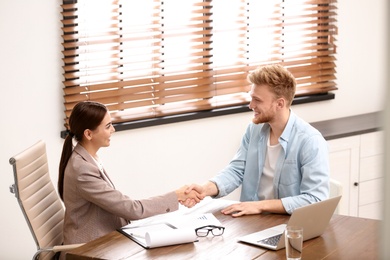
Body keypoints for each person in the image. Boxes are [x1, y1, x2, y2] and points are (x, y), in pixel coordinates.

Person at [183, 64, 329, 217]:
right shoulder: (254, 130)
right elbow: (237, 170)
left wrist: (260, 206)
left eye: (257, 100)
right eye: (251, 98)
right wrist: (205, 189)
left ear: (280, 103)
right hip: (253, 220)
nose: (251, 105)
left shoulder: (310, 142)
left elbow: (315, 199)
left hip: (291, 225)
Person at [58, 101, 202, 249]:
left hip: (106, 235)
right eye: (107, 126)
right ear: (88, 134)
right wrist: (177, 195)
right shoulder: (82, 170)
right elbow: (132, 209)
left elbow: (122, 207)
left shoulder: (88, 158)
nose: (113, 130)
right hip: (88, 247)